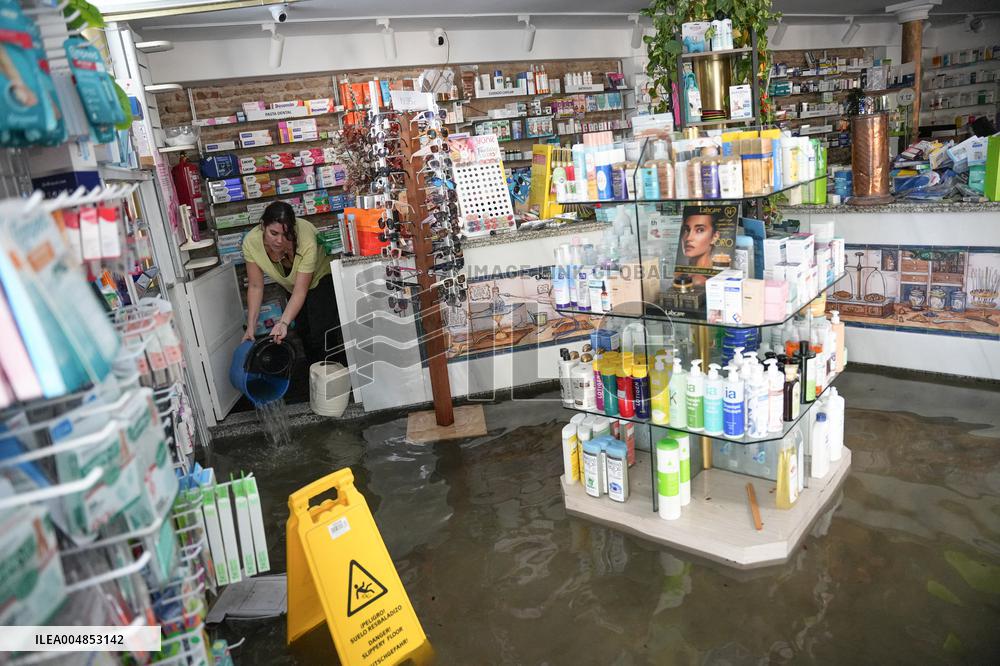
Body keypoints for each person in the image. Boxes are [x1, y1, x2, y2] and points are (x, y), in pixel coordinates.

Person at [241, 202, 344, 364]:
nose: (279, 241)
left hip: (321, 277)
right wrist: (251, 327)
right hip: (292, 285)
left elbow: (300, 291)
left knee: (322, 334)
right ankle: (316, 375)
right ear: (263, 226)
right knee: (303, 331)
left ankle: (336, 376)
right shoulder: (251, 242)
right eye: (273, 233)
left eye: (286, 234)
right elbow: (255, 286)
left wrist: (283, 322)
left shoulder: (306, 240)